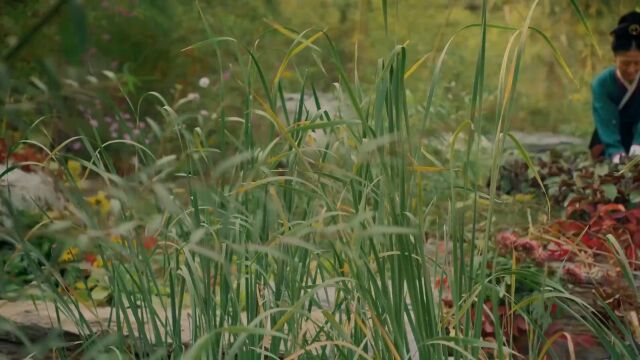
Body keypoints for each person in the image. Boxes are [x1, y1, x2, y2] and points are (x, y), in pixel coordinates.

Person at [590, 11, 640, 163]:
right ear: (614, 58)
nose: (631, 69)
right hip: (609, 136)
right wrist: (616, 153)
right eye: (625, 63)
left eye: (637, 63)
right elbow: (605, 120)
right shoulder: (602, 83)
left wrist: (638, 144)